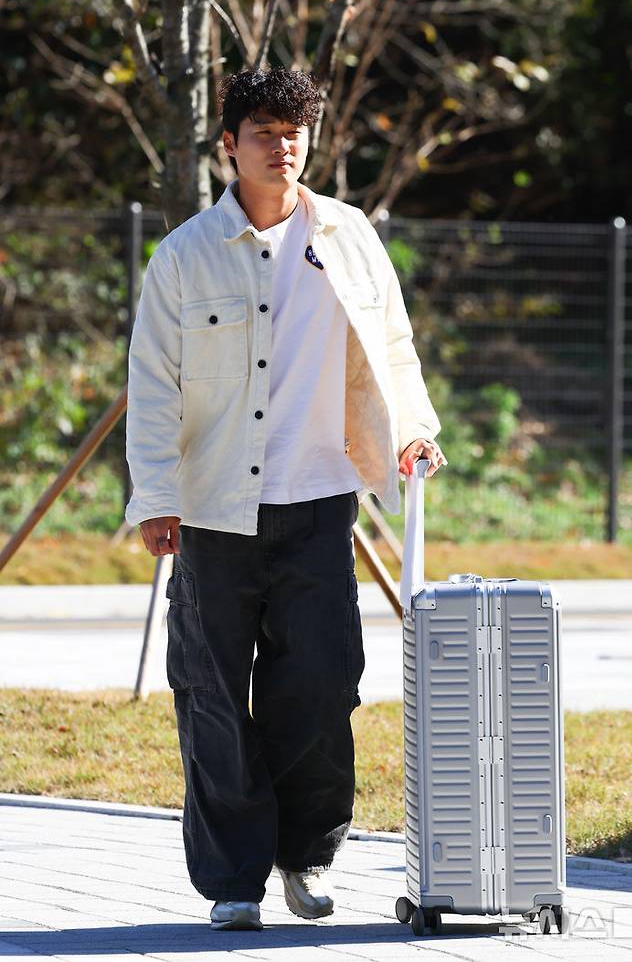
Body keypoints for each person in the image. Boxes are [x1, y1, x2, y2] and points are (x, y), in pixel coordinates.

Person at [125, 66, 447, 932]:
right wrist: (154, 495)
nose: (284, 147)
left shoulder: (348, 237)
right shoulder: (185, 254)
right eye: (265, 132)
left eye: (297, 132)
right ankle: (235, 877)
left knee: (323, 681)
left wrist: (413, 430)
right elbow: (153, 385)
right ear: (229, 145)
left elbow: (393, 347)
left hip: (318, 499)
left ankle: (304, 854)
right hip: (212, 508)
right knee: (214, 692)